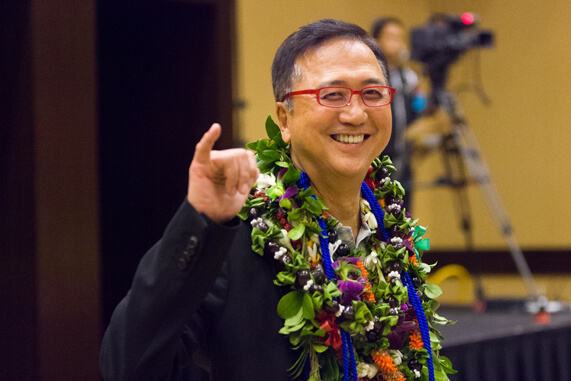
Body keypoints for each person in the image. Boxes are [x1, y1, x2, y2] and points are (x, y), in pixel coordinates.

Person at [100, 19, 453, 381]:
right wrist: (199, 220)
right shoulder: (244, 235)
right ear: (284, 118)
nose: (355, 113)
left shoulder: (392, 231)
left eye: (373, 93)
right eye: (332, 95)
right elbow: (127, 367)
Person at [371, 17, 423, 211]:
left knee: (403, 214)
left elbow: (418, 107)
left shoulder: (408, 77)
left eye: (400, 38)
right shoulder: (370, 76)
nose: (397, 43)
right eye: (391, 37)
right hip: (377, 161)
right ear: (376, 41)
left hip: (403, 161)